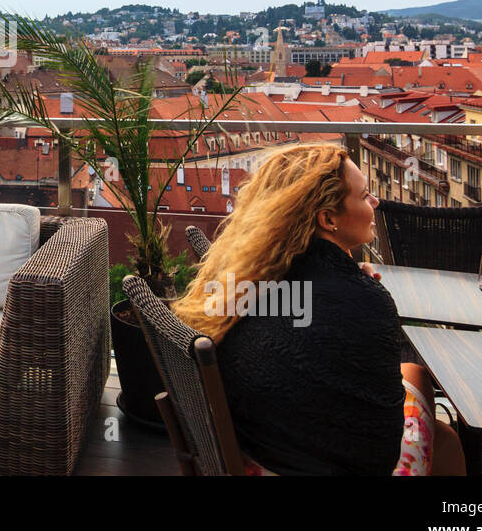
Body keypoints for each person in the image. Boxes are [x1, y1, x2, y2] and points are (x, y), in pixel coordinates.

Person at [171, 143, 465, 475]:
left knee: (434, 418)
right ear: (327, 218)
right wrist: (360, 291)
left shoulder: (251, 275)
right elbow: (379, 455)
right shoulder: (366, 301)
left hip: (258, 451)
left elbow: (304, 321)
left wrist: (349, 278)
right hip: (317, 459)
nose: (375, 201)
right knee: (429, 402)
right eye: (365, 195)